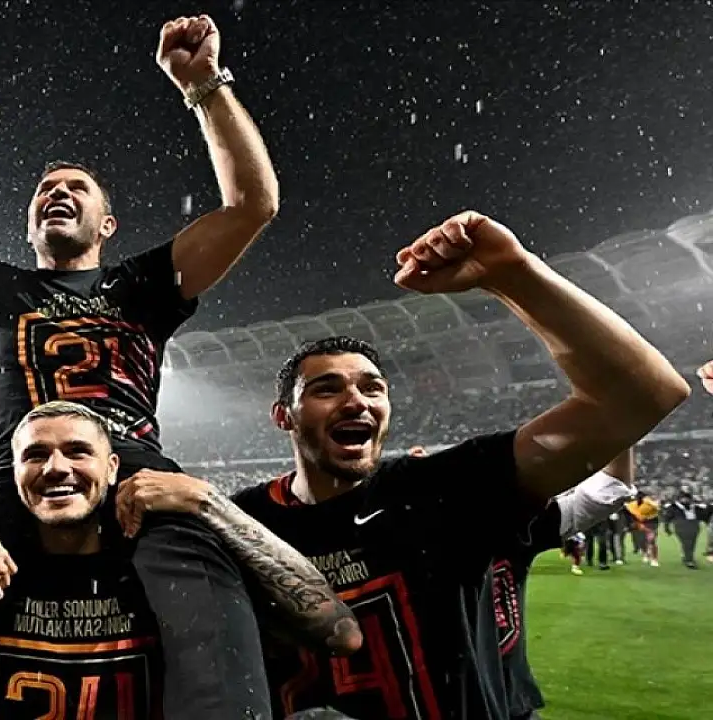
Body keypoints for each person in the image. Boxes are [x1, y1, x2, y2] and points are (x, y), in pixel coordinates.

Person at [0, 14, 280, 718]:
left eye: (76, 187)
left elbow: (252, 205)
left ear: (107, 225)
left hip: (134, 463)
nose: (57, 191)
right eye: (45, 189)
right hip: (14, 467)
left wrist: (205, 86)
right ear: (30, 225)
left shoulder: (143, 284)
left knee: (213, 601)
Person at [160, 211, 688, 719]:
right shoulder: (238, 521)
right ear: (284, 417)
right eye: (326, 389)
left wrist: (513, 274)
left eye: (373, 388)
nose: (356, 401)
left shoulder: (444, 489)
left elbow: (643, 395)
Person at [0, 402, 360, 718]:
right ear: (13, 474)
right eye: (36, 455)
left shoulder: (171, 567)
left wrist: (213, 505)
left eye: (78, 451)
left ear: (112, 469)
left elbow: (338, 631)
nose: (57, 467)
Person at [489, 449, 635, 720]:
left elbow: (606, 491)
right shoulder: (405, 542)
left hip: (511, 704)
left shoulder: (504, 526)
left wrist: (622, 432)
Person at [663, 488, 709, 569]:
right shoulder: (674, 507)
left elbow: (704, 515)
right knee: (686, 543)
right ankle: (689, 561)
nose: (685, 499)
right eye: (684, 497)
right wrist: (666, 528)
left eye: (687, 498)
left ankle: (688, 558)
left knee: (692, 544)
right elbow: (667, 518)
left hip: (694, 526)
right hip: (681, 526)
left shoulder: (695, 507)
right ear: (680, 498)